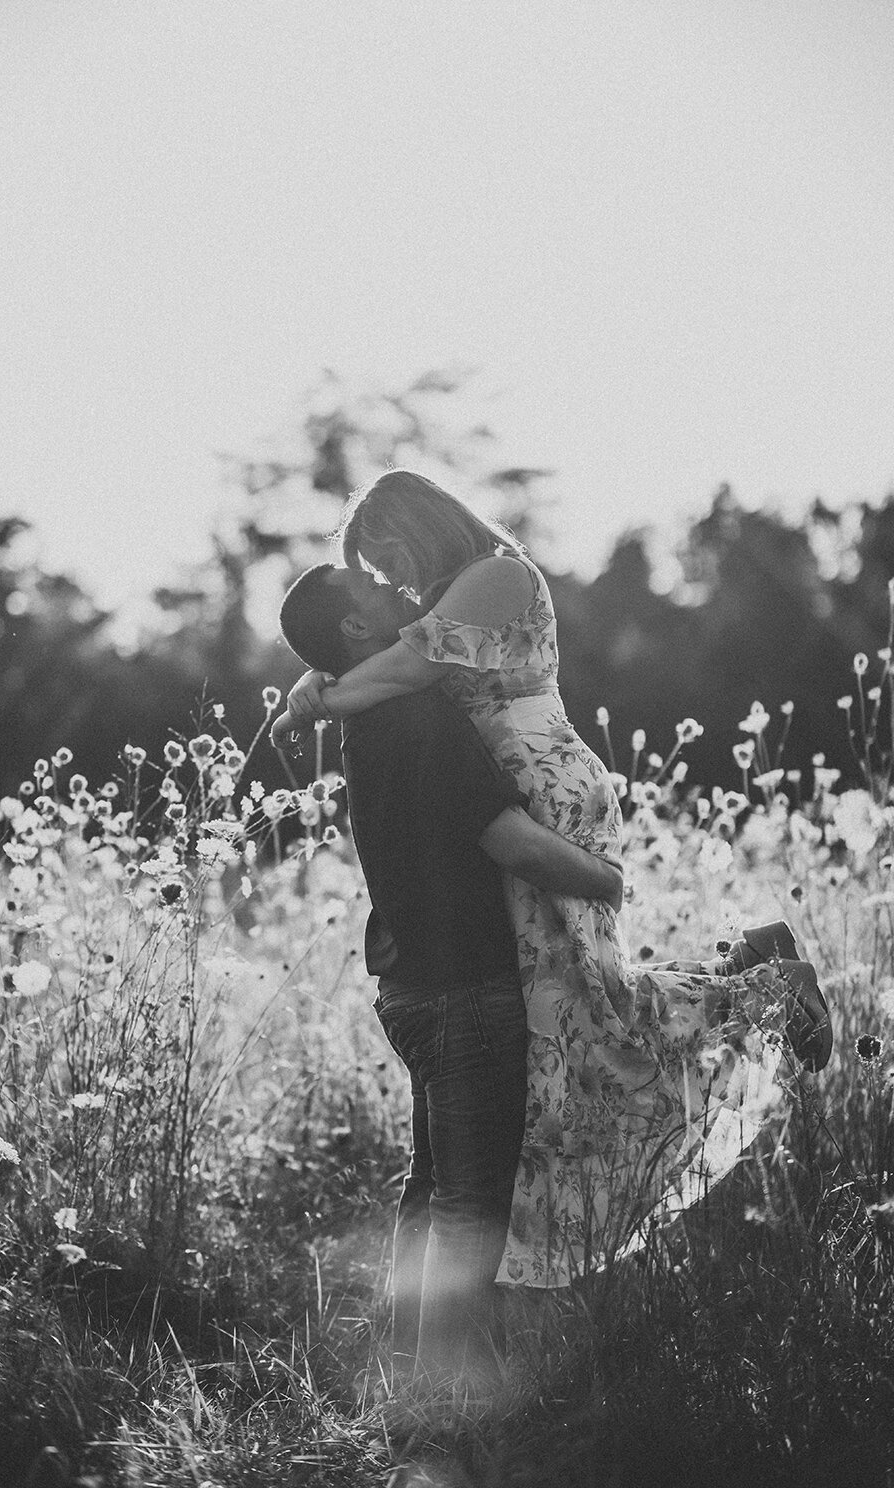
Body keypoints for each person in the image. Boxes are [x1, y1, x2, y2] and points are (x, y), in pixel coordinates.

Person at [272, 470, 831, 1293]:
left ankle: (766, 991)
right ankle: (749, 980)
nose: (386, 572)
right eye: (369, 566)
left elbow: (416, 665)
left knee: (588, 1012)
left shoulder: (498, 574)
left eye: (383, 550)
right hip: (502, 800)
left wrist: (314, 701)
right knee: (579, 1019)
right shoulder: (434, 603)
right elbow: (389, 661)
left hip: (543, 794)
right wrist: (312, 688)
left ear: (419, 522)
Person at [277, 561, 623, 1392]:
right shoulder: (417, 710)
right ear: (358, 631)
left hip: (410, 984)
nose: (400, 591)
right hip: (465, 986)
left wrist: (313, 689)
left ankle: (404, 1365)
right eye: (372, 591)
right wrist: (604, 877)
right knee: (473, 1206)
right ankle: (449, 1390)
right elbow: (504, 837)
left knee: (430, 1191)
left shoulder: (371, 711)